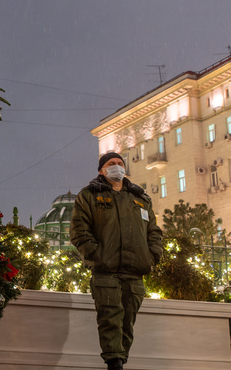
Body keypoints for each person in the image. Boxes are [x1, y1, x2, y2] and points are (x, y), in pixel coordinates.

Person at [70, 152, 163, 370]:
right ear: (101, 170)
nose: (116, 167)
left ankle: (120, 361)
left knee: (127, 324)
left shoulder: (140, 198)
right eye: (111, 164)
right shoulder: (90, 195)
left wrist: (152, 255)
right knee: (110, 320)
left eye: (120, 163)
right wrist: (96, 253)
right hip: (106, 272)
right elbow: (79, 230)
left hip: (135, 272)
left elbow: (154, 231)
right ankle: (114, 364)